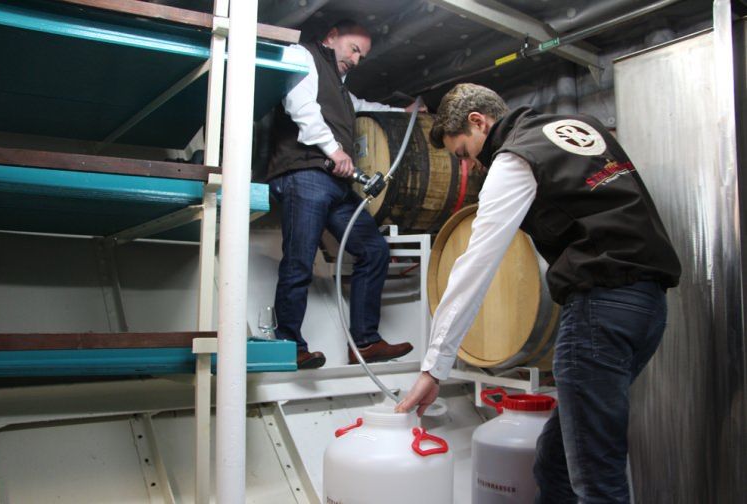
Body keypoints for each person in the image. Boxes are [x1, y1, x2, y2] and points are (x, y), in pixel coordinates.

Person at [395, 83, 681, 502]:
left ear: (478, 121)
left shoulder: (514, 158)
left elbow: (476, 264)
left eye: (464, 152)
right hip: (648, 307)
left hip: (599, 309)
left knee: (596, 480)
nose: (471, 164)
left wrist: (433, 369)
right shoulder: (581, 126)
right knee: (557, 462)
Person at [267, 20, 421, 369]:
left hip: (335, 183)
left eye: (361, 57)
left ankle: (364, 343)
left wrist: (403, 114)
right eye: (353, 49)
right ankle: (288, 345)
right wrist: (335, 150)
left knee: (374, 250)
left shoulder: (339, 86)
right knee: (299, 260)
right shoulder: (302, 56)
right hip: (304, 174)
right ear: (332, 36)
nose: (355, 60)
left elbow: (363, 106)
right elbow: (299, 105)